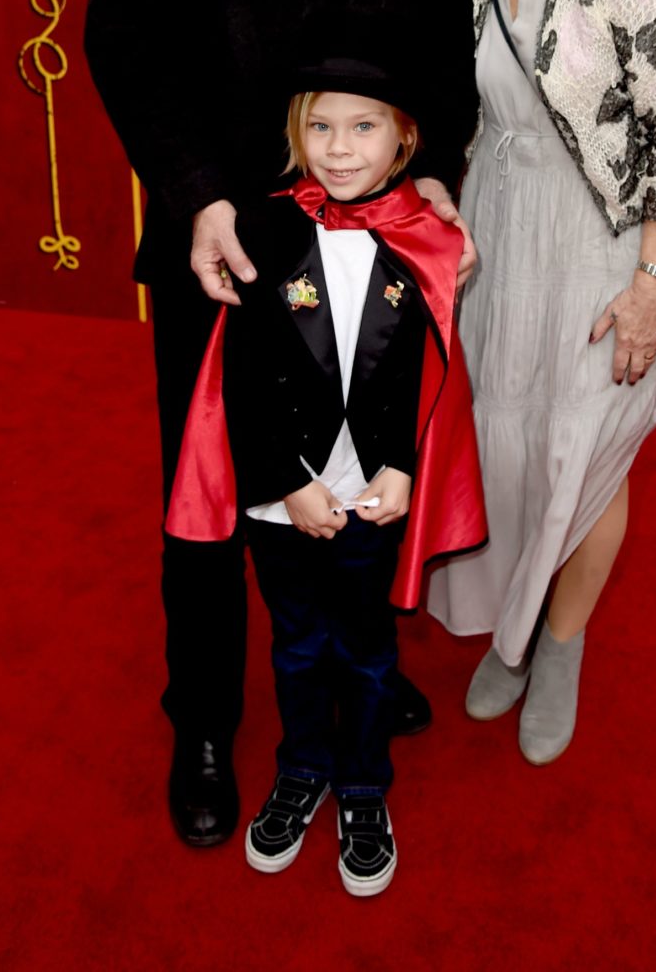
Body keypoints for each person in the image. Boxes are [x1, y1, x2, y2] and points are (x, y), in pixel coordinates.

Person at [84, 0, 478, 847]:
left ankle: (352, 655)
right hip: (224, 243)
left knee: (362, 464)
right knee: (209, 489)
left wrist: (438, 160)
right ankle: (201, 713)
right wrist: (193, 191)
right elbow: (124, 36)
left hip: (378, 242)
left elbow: (449, 50)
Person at [424, 0, 656, 765]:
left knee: (583, 449)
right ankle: (510, 623)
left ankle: (560, 642)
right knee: (508, 443)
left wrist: (649, 282)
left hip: (609, 237)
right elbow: (463, 108)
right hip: (502, 228)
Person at [164, 45, 486, 895]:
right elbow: (240, 376)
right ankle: (303, 767)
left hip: (372, 498)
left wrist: (406, 470)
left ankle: (364, 785)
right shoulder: (262, 233)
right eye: (321, 126)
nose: (340, 147)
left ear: (405, 139)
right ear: (295, 133)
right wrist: (286, 485)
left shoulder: (424, 244)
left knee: (370, 651)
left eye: (364, 126)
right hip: (286, 504)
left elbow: (429, 374)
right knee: (299, 645)